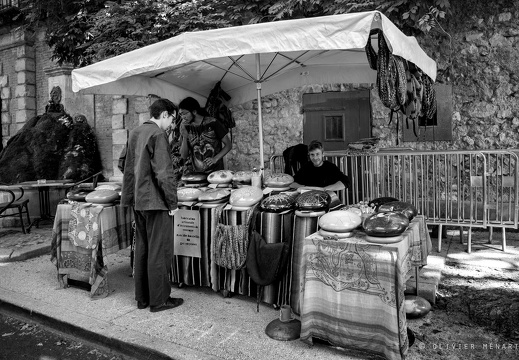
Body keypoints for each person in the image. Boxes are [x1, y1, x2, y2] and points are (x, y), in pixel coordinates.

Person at [118, 98, 183, 313]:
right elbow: (164, 173)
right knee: (159, 251)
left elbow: (123, 164)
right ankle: (160, 300)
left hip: (138, 200)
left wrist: (134, 188)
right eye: (172, 119)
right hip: (156, 202)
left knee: (143, 249)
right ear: (164, 114)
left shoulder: (135, 132)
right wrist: (172, 203)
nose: (172, 124)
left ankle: (142, 298)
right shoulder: (158, 134)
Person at [178, 97, 232, 174]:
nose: (182, 117)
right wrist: (184, 136)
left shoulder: (213, 122)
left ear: (194, 111)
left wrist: (215, 159)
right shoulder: (186, 127)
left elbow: (228, 145)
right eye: (180, 114)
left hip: (216, 174)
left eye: (185, 113)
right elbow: (183, 155)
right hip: (197, 176)